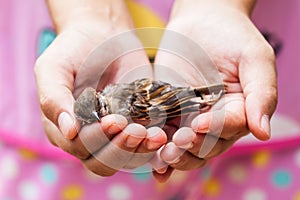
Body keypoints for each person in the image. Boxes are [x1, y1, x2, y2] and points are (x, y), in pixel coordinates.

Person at [1, 0, 299, 199]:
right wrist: (88, 16)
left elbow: (158, 99)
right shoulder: (104, 96)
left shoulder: (121, 102)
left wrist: (216, 7)